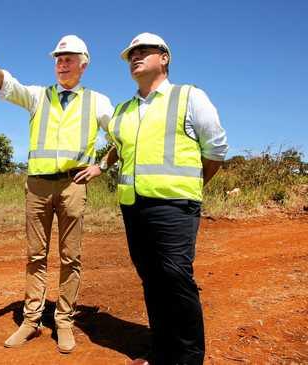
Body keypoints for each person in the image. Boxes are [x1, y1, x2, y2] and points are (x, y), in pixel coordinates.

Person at [0, 34, 113, 353]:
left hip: (73, 185)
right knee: (35, 256)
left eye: (68, 58)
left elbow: (123, 138)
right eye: (58, 58)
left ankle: (65, 321)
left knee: (71, 257)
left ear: (83, 64)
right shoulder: (39, 96)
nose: (61, 63)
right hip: (37, 185)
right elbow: (6, 84)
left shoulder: (98, 102)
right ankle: (31, 321)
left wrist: (101, 166)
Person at [103, 33, 228, 364]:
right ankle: (161, 352)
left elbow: (215, 148)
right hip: (133, 205)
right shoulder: (124, 110)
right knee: (152, 280)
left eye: (144, 51)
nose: (135, 56)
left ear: (165, 58)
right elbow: (119, 148)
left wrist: (192, 187)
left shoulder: (189, 96)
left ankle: (187, 359)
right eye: (131, 53)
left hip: (175, 206)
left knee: (175, 279)